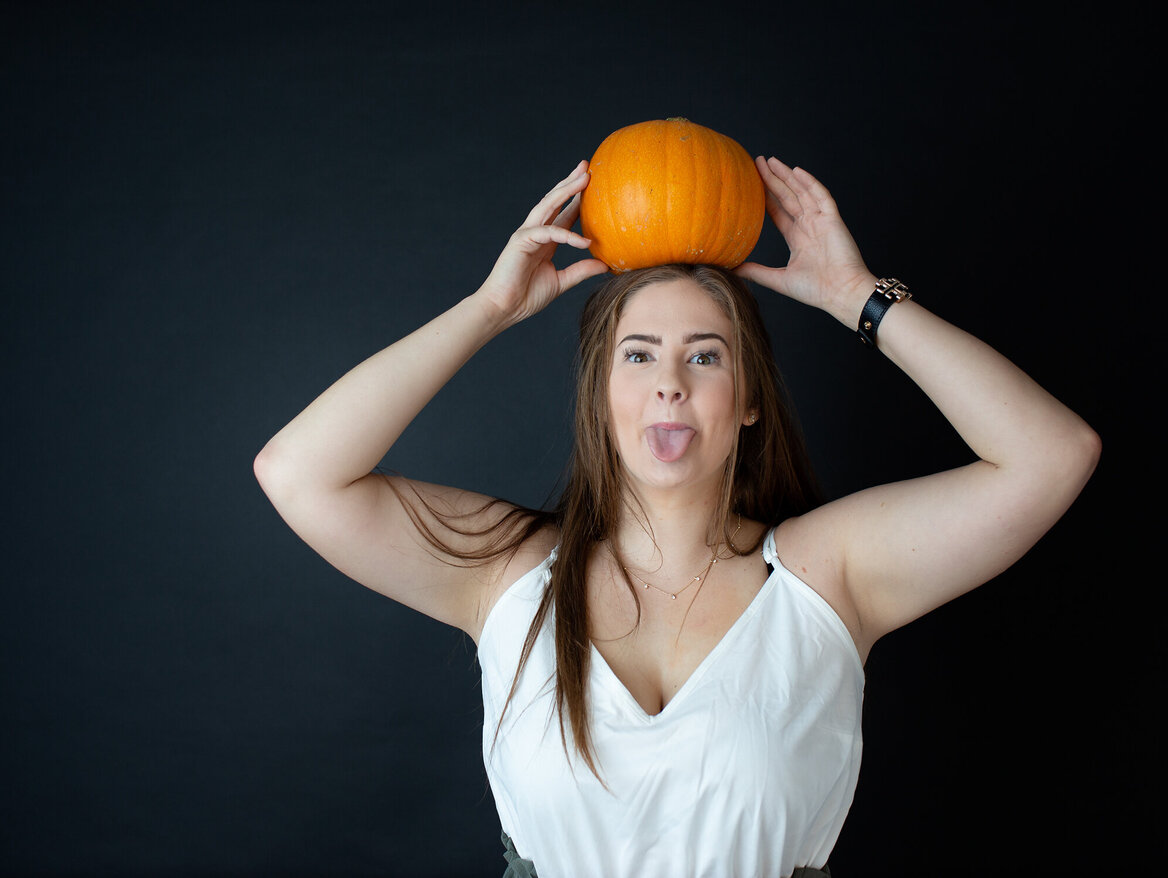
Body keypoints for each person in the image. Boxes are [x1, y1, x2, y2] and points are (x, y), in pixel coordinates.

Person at [254, 156, 1100, 877]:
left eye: (704, 355)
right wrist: (491, 310)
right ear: (602, 394)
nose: (670, 382)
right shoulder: (505, 576)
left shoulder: (826, 578)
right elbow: (298, 473)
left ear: (748, 403)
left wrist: (856, 297)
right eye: (638, 355)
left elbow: (1050, 456)